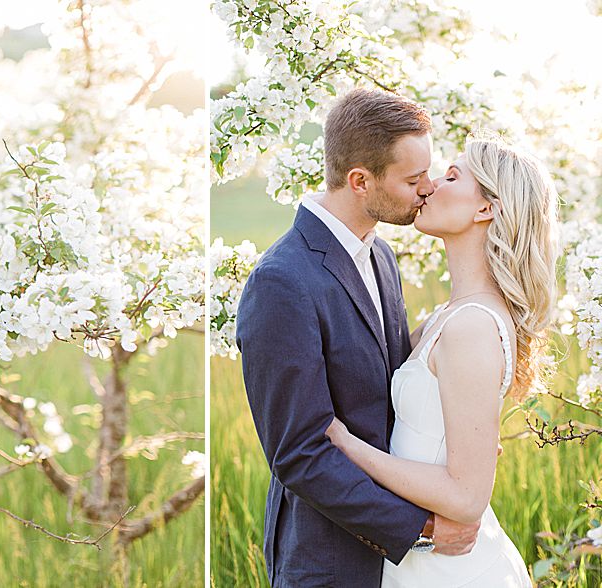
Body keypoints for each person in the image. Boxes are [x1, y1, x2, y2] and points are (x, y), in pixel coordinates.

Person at [236, 88, 481, 587]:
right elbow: (299, 453)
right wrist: (421, 527)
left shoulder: (381, 255)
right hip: (328, 563)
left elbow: (389, 385)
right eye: (412, 179)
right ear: (360, 181)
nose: (428, 189)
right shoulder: (281, 282)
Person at [325, 133, 555, 587]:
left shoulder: (472, 327)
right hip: (421, 563)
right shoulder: (446, 317)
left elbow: (467, 498)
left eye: (451, 177)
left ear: (485, 209)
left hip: (452, 571)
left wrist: (350, 447)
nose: (429, 185)